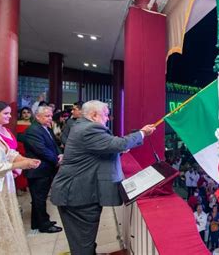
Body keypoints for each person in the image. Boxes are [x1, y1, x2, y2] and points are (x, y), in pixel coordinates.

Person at [50, 100, 155, 254]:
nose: (107, 118)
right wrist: (142, 133)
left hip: (78, 192)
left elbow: (103, 148)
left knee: (84, 239)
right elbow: (118, 144)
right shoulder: (89, 129)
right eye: (105, 114)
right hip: (77, 195)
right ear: (93, 115)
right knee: (82, 243)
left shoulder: (81, 125)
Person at [0, 100, 41, 254]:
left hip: (4, 188)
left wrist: (25, 161)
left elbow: (8, 153)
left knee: (8, 226)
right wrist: (17, 166)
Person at [24, 105, 63, 233]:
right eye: (47, 116)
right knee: (39, 199)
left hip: (46, 169)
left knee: (39, 198)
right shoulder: (33, 130)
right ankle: (44, 225)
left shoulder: (45, 128)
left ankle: (37, 222)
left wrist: (59, 154)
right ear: (37, 116)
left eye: (51, 116)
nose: (50, 118)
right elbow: (41, 150)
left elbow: (53, 144)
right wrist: (56, 160)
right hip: (38, 170)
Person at [15, 106, 33, 191]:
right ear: (21, 114)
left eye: (28, 112)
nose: (26, 114)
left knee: (29, 166)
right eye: (24, 112)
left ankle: (27, 185)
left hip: (30, 147)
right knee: (19, 166)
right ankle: (20, 186)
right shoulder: (16, 123)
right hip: (19, 147)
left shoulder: (33, 124)